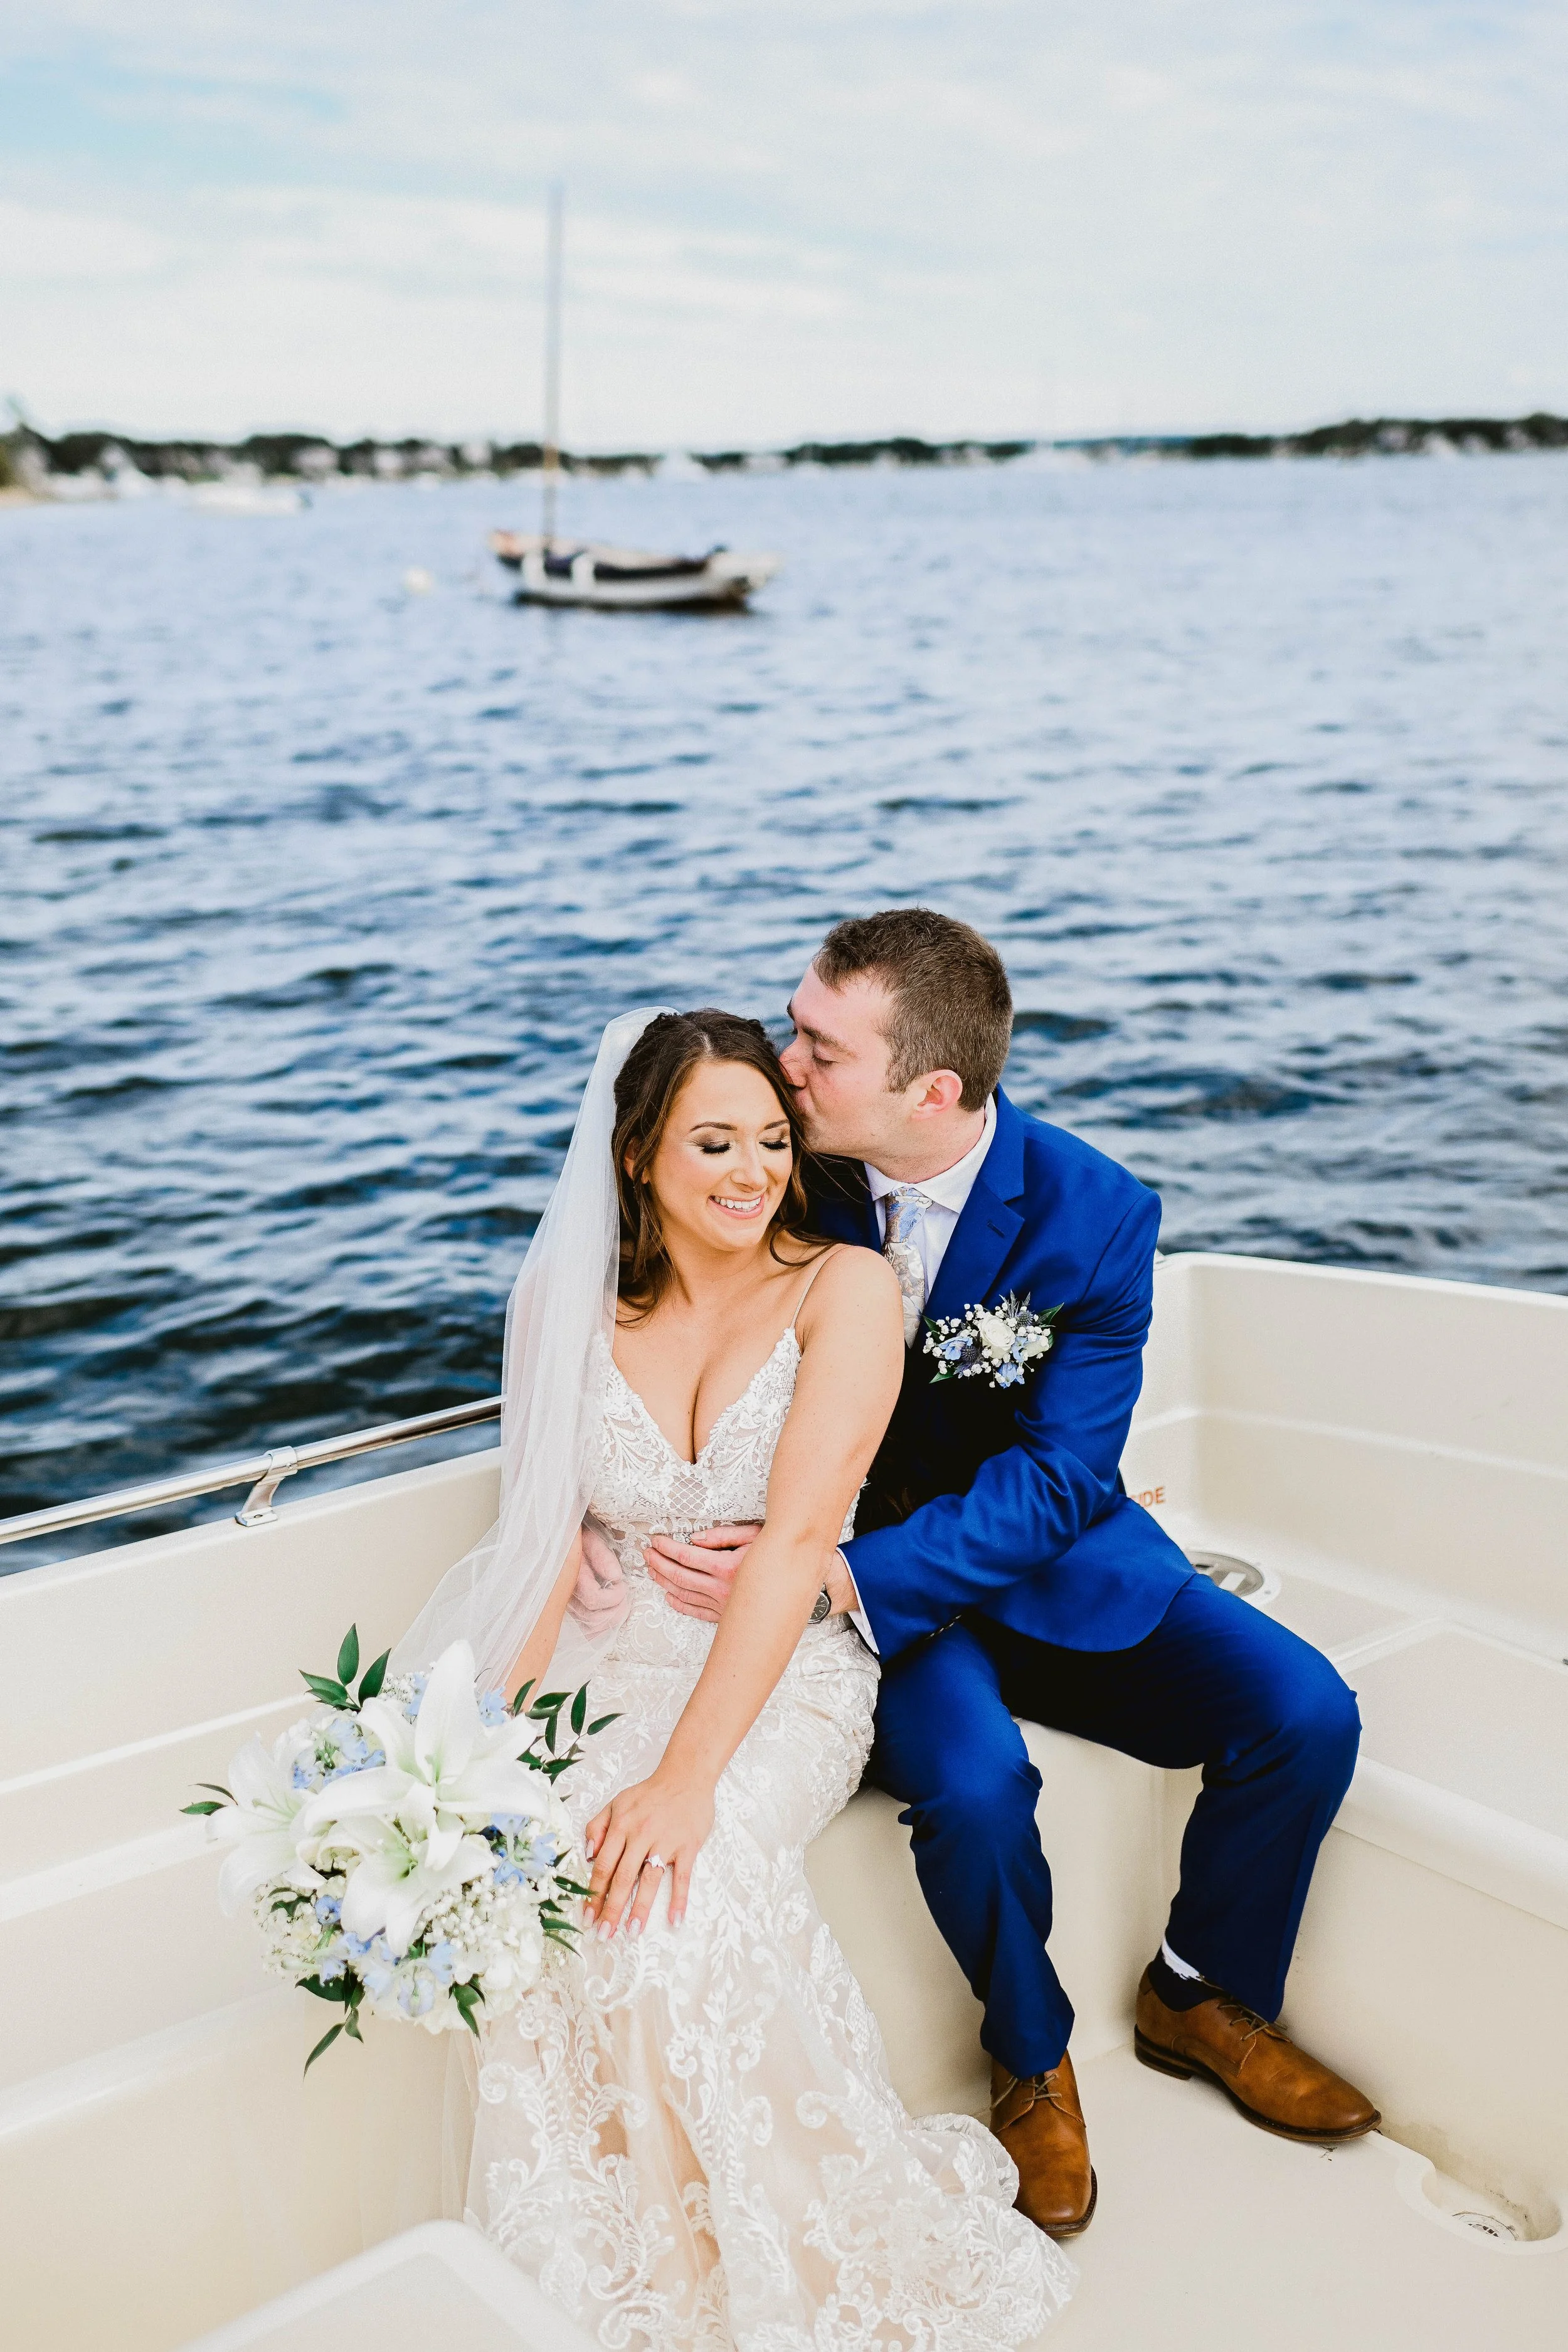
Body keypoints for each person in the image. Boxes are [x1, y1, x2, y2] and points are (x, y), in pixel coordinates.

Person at [644, 909, 1380, 2243]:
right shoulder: (773, 1169)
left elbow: (1056, 1480)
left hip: (997, 1560)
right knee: (978, 1793)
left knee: (1304, 1713)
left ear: (930, 1090)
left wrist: (842, 1574)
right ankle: (1029, 2062)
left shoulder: (1095, 1213)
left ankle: (1198, 1991)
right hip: (873, 1603)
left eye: (817, 1046)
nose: (782, 1063)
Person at [396, 1007, 1074, 2351]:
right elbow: (538, 1553)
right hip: (604, 1656)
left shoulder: (843, 1287)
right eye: (713, 1141)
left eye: (771, 1138)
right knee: (534, 1891)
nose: (752, 1169)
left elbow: (798, 1552)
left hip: (776, 1673)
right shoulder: (564, 1303)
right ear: (637, 1152)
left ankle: (794, 2283)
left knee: (672, 1905)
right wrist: (470, 1763)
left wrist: (683, 1784)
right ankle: (621, 2286)